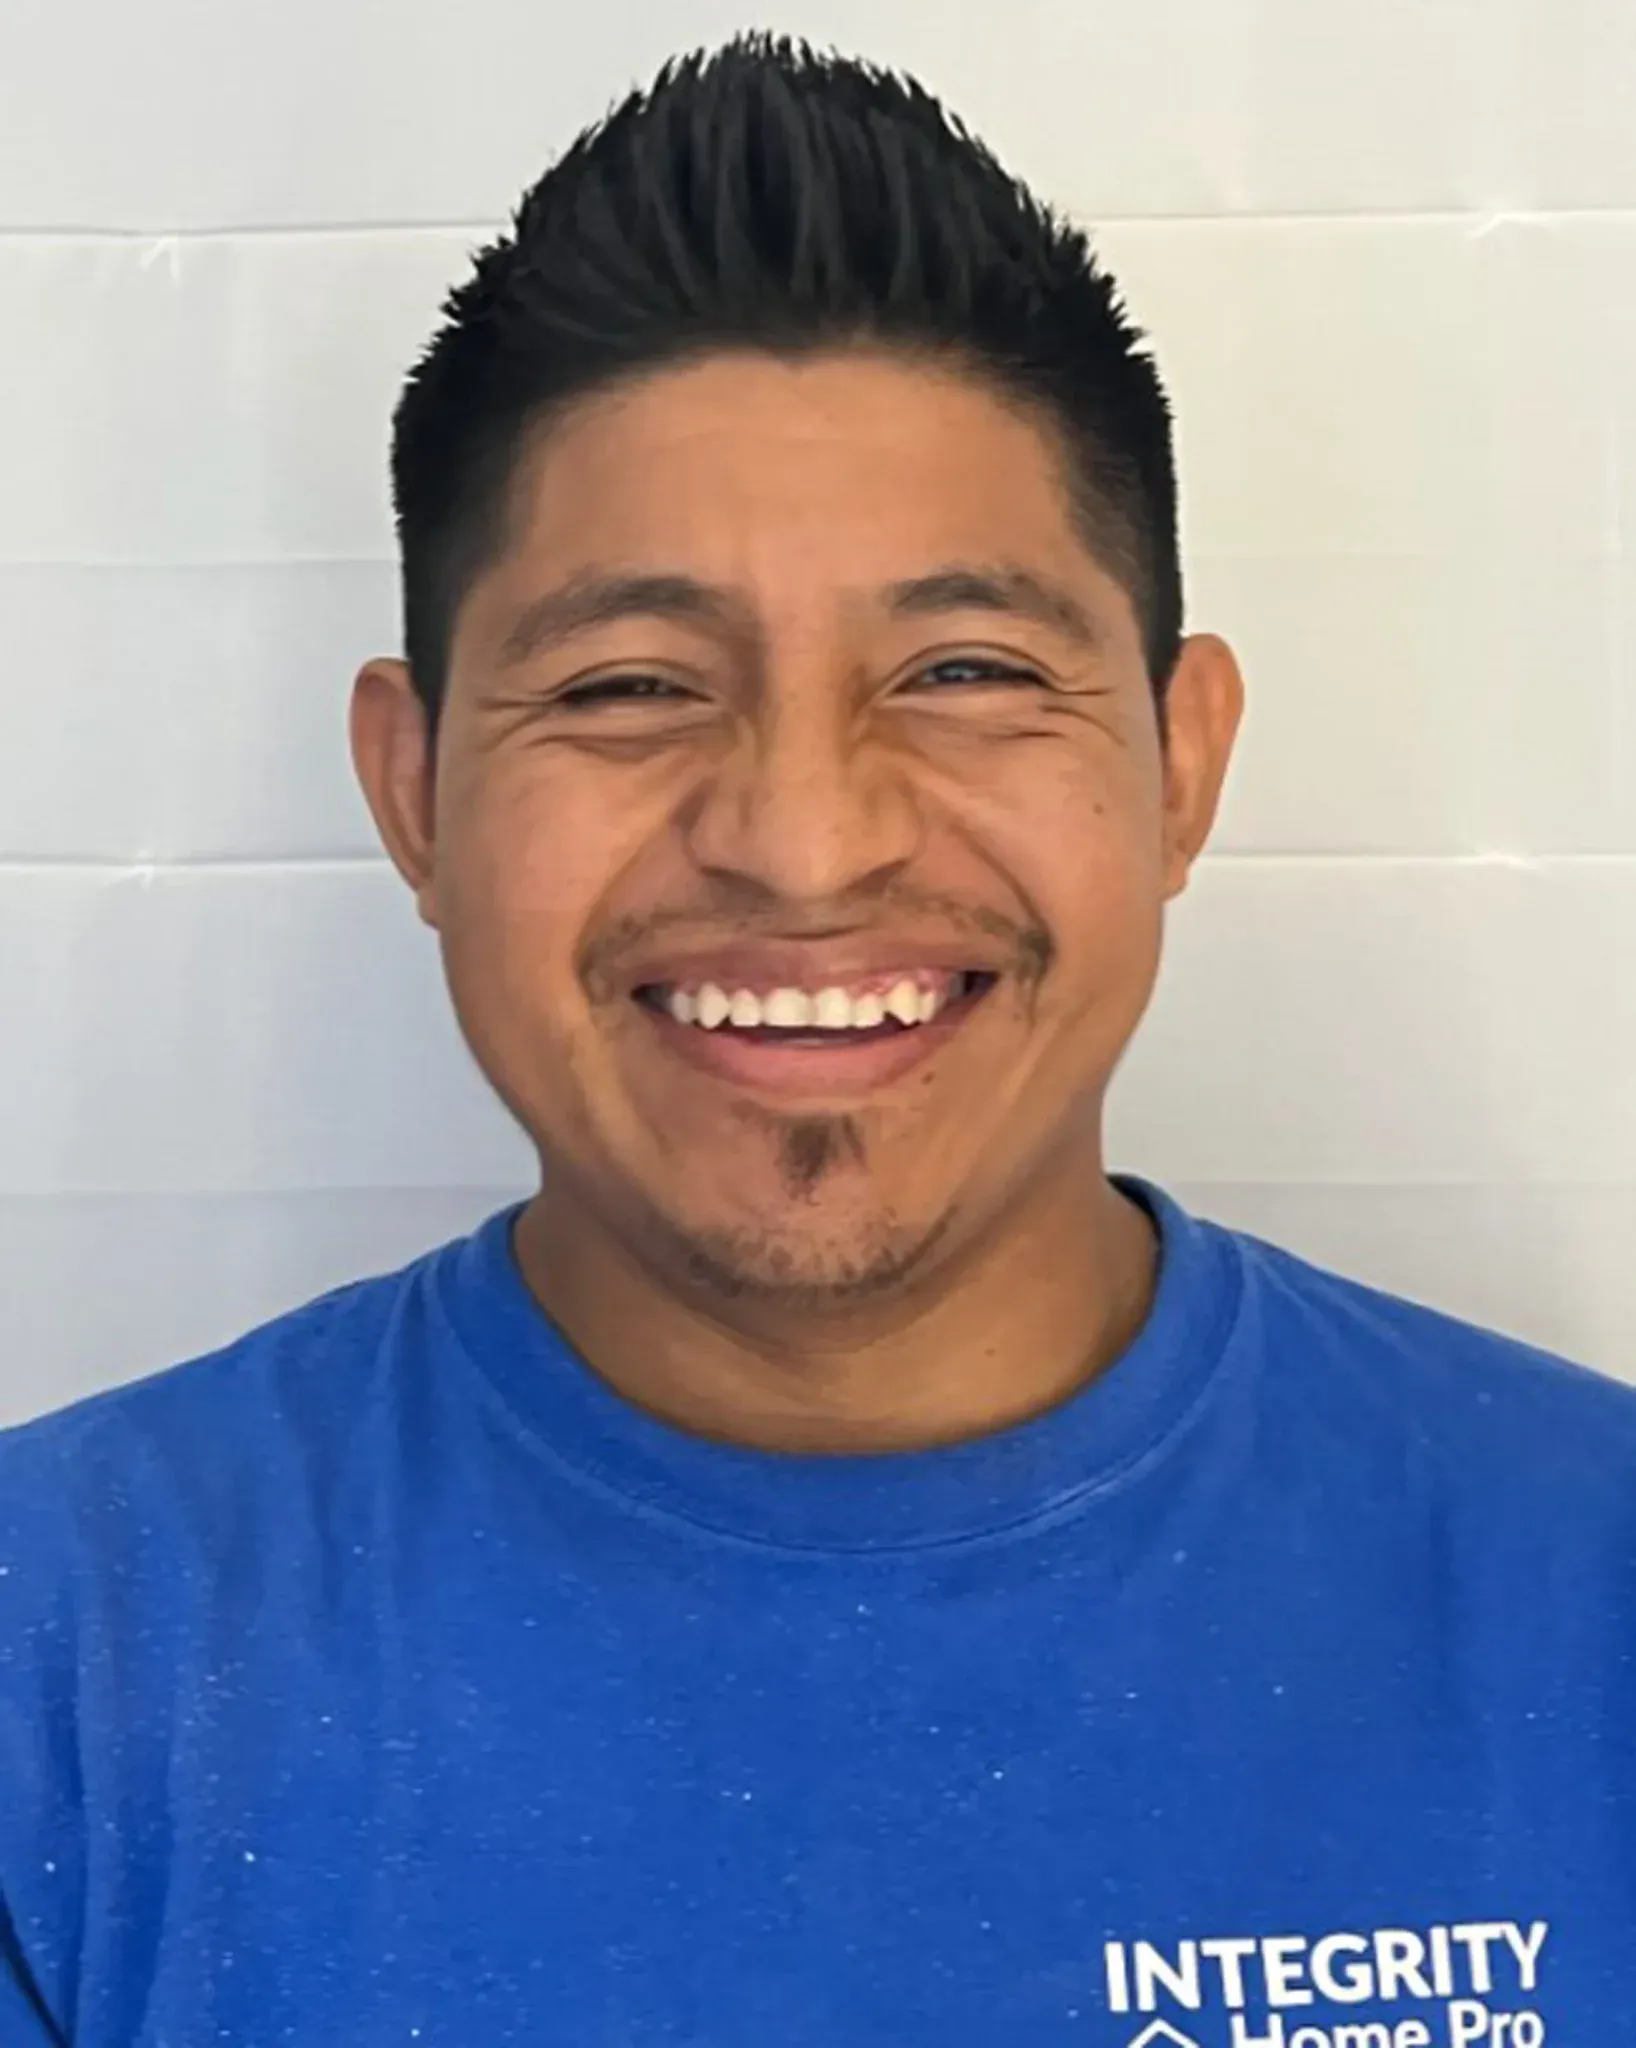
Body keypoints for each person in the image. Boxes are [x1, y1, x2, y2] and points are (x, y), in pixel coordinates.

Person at [1, 33, 1630, 2047]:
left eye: (960, 669)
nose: (801, 839)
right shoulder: (54, 1667)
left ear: (1178, 762)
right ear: (412, 795)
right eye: (625, 684)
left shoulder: (1593, 1594)